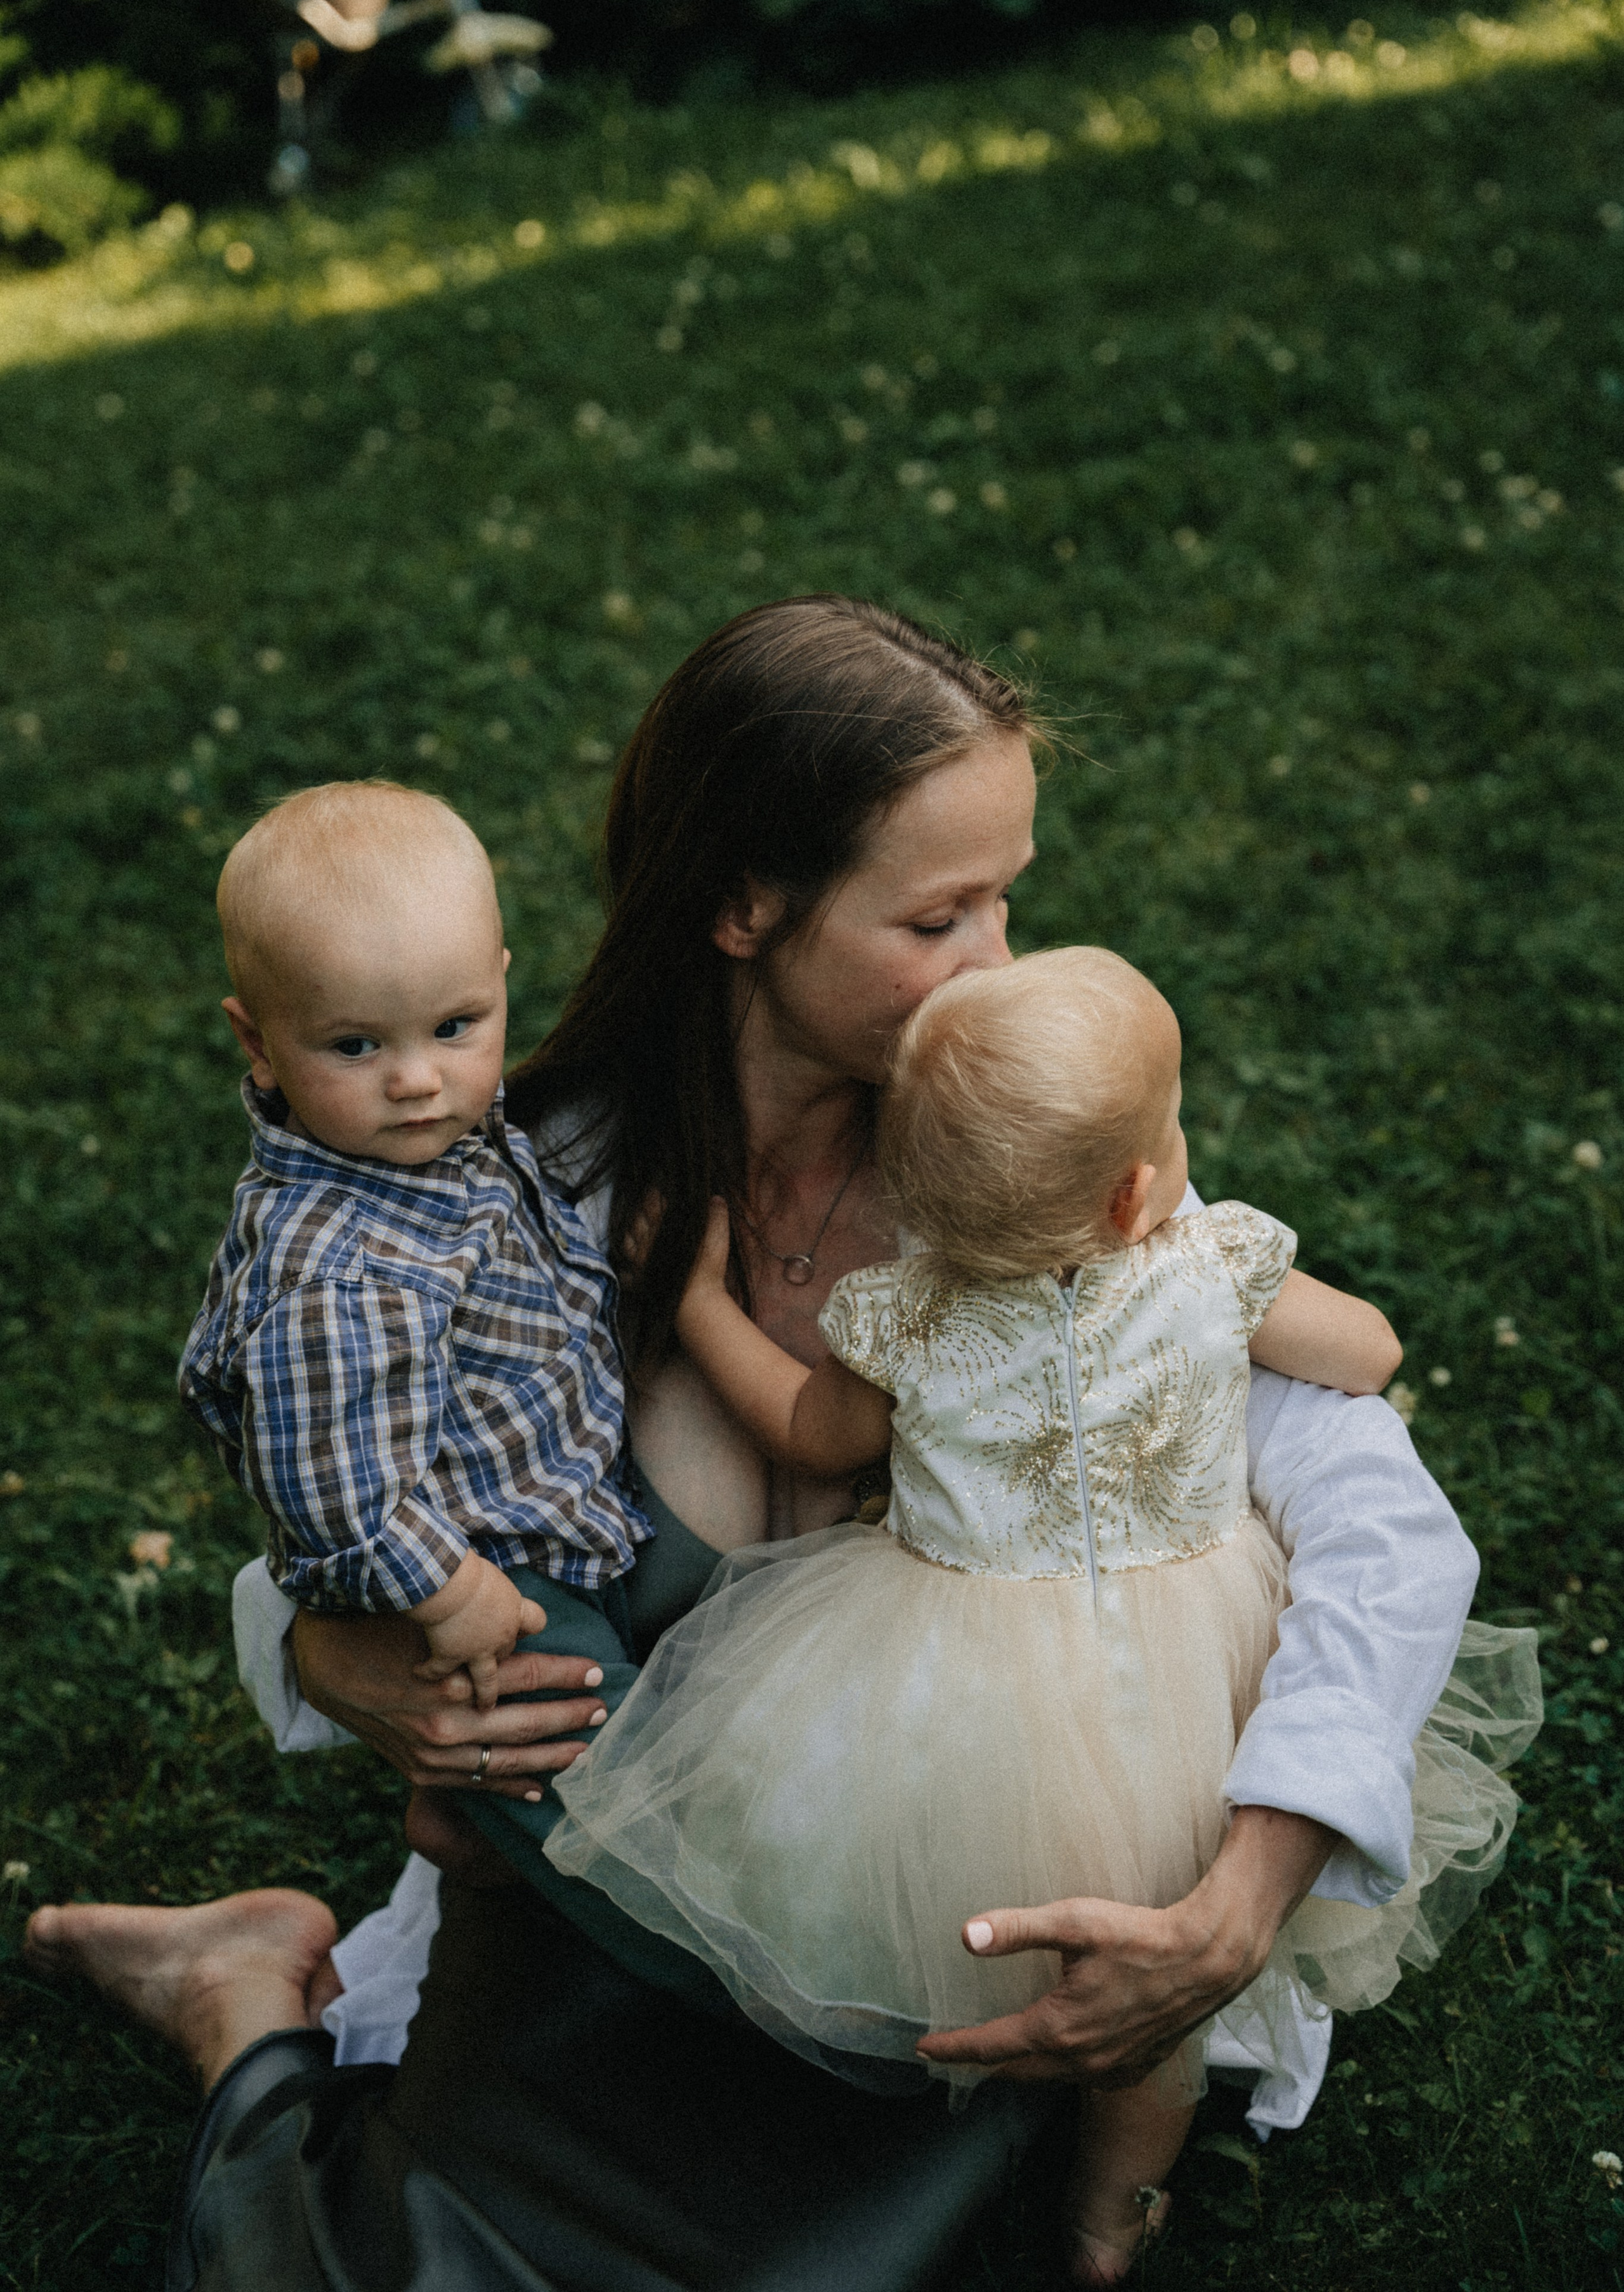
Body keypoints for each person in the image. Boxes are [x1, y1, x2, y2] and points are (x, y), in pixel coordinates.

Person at [28, 600, 1498, 2292]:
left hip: (941, 1952)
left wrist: (1235, 1906)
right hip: (609, 1950)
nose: (999, 966)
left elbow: (1377, 1520)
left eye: (1006, 897)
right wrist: (327, 1648)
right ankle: (244, 1998)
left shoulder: (1029, 1151)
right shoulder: (534, 1192)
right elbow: (349, 1474)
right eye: (940, 914)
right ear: (742, 907)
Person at [547, 946, 1538, 2284]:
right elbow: (1366, 1355)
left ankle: (909, 2080)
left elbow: (806, 1429)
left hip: (956, 1686)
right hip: (1193, 1680)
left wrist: (700, 1304)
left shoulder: (907, 1321)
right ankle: (1106, 2219)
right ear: (1136, 1192)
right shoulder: (1210, 1267)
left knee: (915, 1879)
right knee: (1154, 1979)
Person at [179, 779, 652, 1713]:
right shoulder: (338, 1277)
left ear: (499, 985)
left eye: (454, 1027)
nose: (417, 1080)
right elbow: (330, 1488)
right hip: (484, 1574)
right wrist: (455, 1593)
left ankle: (471, 1850)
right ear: (258, 1040)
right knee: (594, 1750)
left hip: (542, 1509)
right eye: (355, 1046)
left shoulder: (425, 1146)